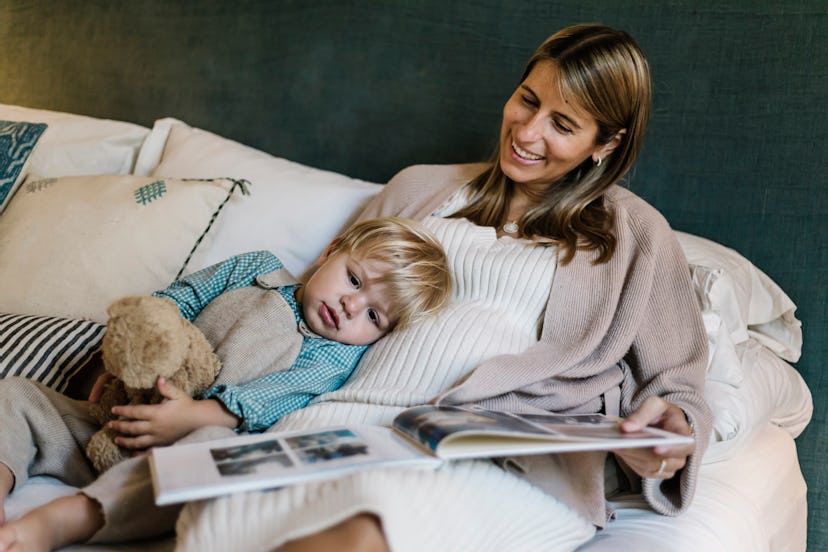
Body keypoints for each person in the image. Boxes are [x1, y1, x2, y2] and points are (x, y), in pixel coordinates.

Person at [169, 23, 708, 551]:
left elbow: (679, 388)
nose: (525, 132)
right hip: (336, 420)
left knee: (368, 529)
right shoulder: (419, 188)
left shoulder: (633, 235)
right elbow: (307, 307)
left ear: (605, 144)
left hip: (496, 456)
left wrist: (668, 435)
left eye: (562, 124)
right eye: (527, 100)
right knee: (217, 522)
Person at [0, 216, 451, 550]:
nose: (351, 305)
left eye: (374, 315)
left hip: (183, 445)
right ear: (329, 251)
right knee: (18, 394)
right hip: (119, 418)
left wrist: (191, 416)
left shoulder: (336, 355)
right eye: (354, 279)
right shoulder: (256, 269)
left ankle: (63, 521)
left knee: (208, 456)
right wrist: (122, 360)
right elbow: (179, 298)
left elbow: (273, 396)